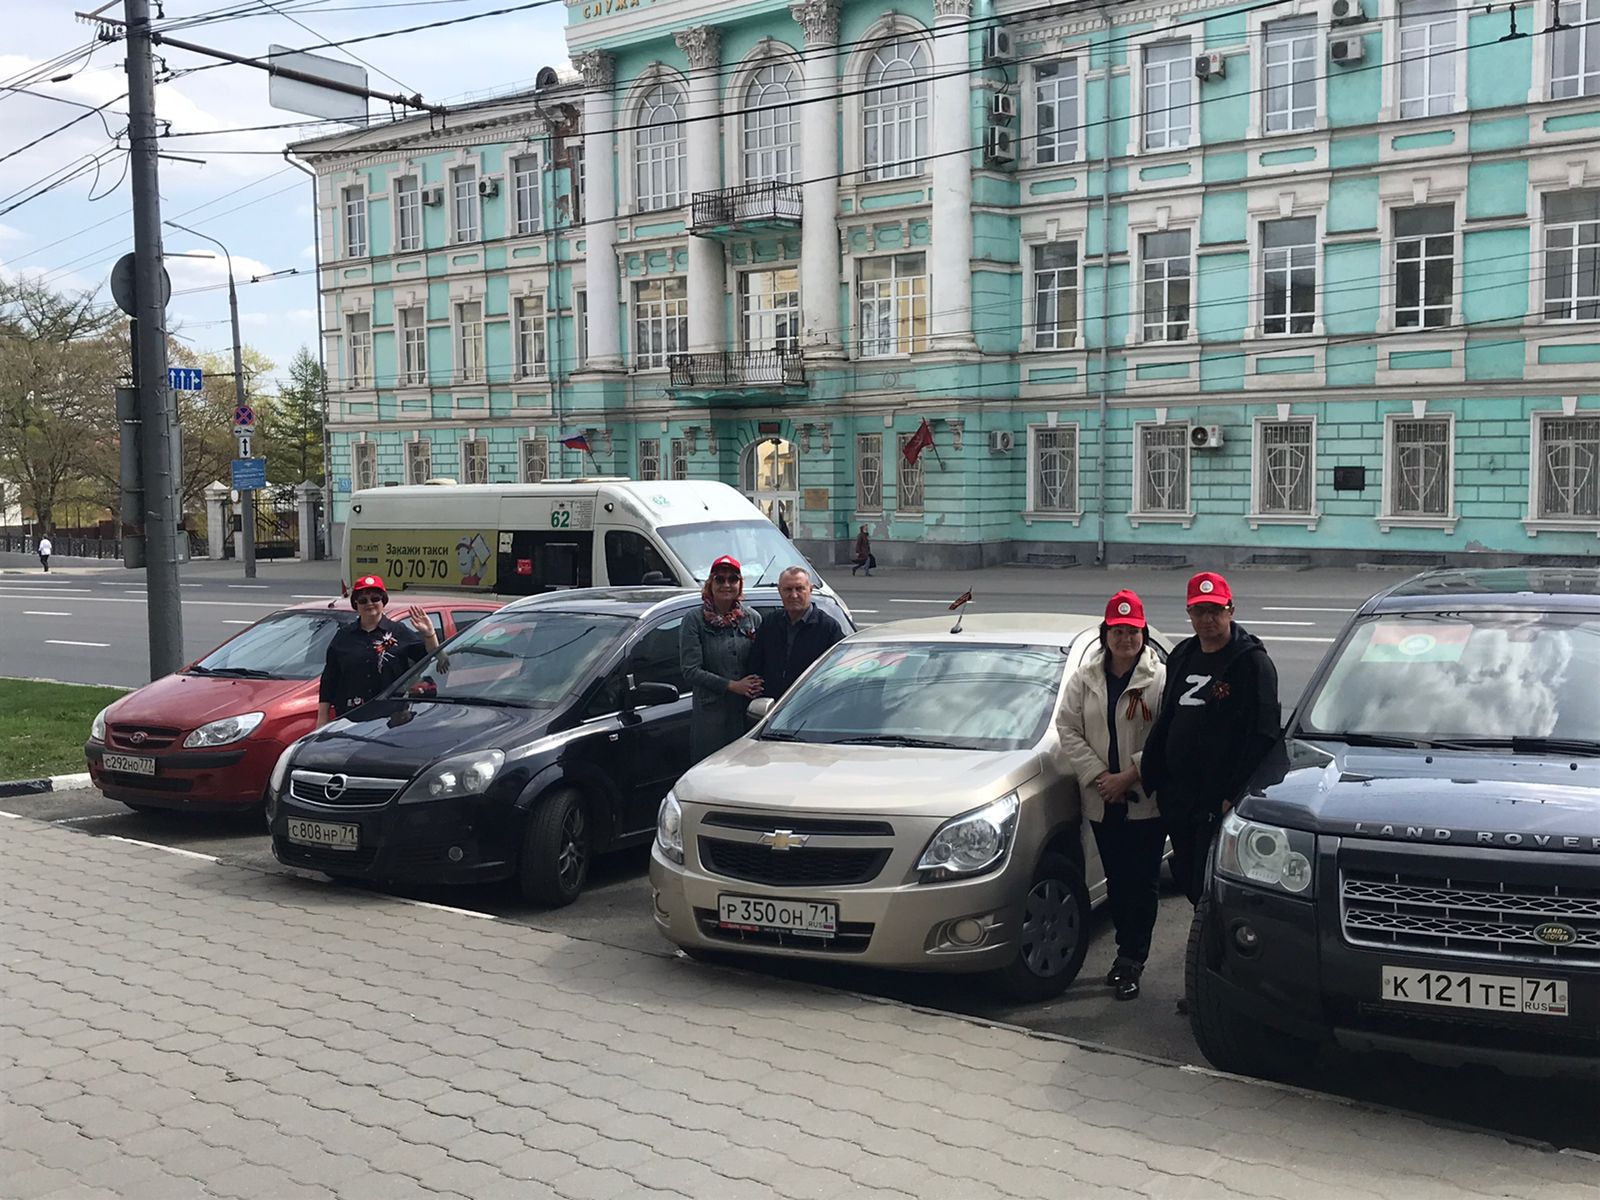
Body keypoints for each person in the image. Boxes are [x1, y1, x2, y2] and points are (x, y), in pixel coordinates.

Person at [1140, 571, 1281, 909]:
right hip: (1178, 796)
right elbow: (1169, 715)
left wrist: (1235, 794)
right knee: (1189, 879)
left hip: (1219, 800)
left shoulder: (1252, 663)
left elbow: (1263, 734)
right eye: (1199, 611)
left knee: (1215, 886)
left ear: (1231, 610)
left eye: (1215, 610)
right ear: (1189, 613)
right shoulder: (1183, 654)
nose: (1207, 619)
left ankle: (1212, 939)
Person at [1057, 590, 1167, 1000]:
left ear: (1143, 634)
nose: (1126, 638)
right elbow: (1068, 729)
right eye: (1118, 631)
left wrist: (1130, 775)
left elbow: (1166, 736)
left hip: (1145, 799)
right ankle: (1125, 949)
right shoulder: (1085, 678)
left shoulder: (1160, 678)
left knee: (1143, 882)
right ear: (1106, 634)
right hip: (1103, 797)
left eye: (1133, 631)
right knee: (1118, 881)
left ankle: (1132, 958)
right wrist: (1101, 776)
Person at [317, 574, 440, 727]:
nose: (369, 603)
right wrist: (322, 717)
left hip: (391, 719)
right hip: (351, 719)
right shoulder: (344, 636)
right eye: (363, 600)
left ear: (383, 601)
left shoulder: (399, 632)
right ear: (356, 604)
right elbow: (329, 679)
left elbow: (431, 658)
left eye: (375, 598)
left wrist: (429, 634)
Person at [679, 555, 763, 761]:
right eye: (720, 579)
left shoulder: (752, 618)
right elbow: (690, 670)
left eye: (733, 579)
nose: (726, 584)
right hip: (711, 720)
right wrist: (732, 686)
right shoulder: (694, 620)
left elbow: (761, 661)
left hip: (746, 716)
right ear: (710, 584)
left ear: (740, 584)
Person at [749, 566, 845, 701]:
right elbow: (755, 664)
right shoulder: (770, 623)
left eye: (799, 589)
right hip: (772, 706)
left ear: (810, 590)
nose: (794, 595)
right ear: (779, 591)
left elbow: (839, 670)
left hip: (808, 704)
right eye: (788, 589)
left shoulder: (828, 628)